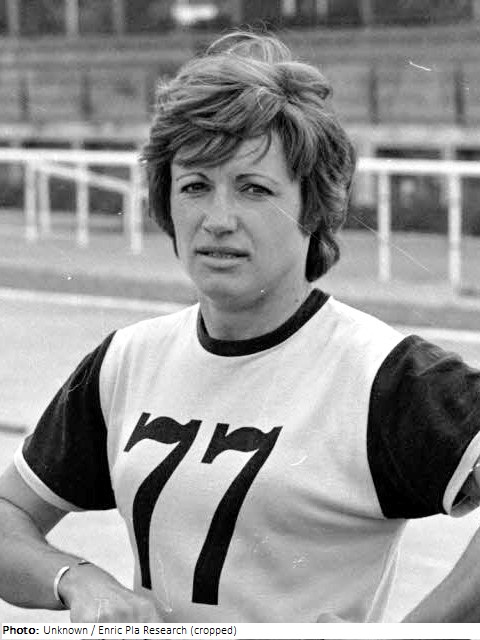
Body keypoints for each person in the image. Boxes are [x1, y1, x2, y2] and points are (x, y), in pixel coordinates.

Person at [1, 29, 480, 625]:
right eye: (195, 186)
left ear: (313, 207)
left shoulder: (382, 374)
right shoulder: (127, 359)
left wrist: (413, 637)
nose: (218, 219)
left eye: (254, 189)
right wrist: (78, 579)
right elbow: (7, 515)